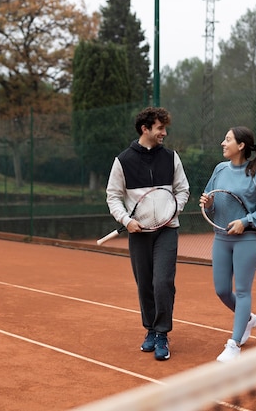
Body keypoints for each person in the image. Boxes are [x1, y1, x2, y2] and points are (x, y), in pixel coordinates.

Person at [105, 107, 190, 361]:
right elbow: (113, 196)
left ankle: (163, 333)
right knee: (145, 284)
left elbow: (183, 190)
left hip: (167, 231)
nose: (164, 133)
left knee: (162, 282)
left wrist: (172, 211)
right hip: (138, 233)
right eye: (160, 128)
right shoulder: (123, 161)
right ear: (146, 129)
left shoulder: (172, 157)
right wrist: (126, 220)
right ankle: (151, 330)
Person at [199, 126, 256, 362]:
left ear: (240, 146)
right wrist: (208, 203)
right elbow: (210, 201)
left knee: (242, 291)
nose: (223, 143)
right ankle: (248, 319)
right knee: (222, 290)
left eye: (228, 139)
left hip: (247, 240)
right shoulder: (219, 169)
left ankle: (234, 345)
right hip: (221, 238)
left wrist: (245, 221)